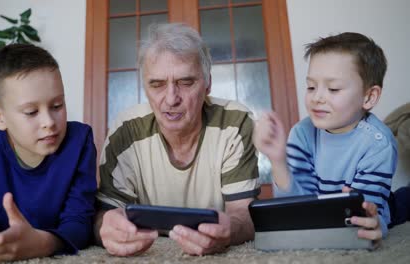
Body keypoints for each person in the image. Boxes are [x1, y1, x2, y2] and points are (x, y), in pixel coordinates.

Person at [94, 23, 259, 256]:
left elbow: (245, 214)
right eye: (157, 84)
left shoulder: (235, 123)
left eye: (186, 82)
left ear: (208, 83)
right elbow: (104, 215)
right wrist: (107, 228)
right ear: (145, 87)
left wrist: (230, 230)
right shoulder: (125, 131)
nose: (171, 99)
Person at [0, 44, 97, 263]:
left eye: (57, 105)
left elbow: (79, 221)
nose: (49, 122)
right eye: (31, 112)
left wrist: (44, 243)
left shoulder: (80, 140)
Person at [254, 32, 397, 244]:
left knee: (401, 204)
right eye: (311, 86)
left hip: (381, 200)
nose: (317, 97)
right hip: (323, 200)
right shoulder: (302, 134)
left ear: (368, 97)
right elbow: (298, 207)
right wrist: (278, 161)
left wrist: (375, 224)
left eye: (333, 88)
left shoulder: (378, 144)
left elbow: (370, 214)